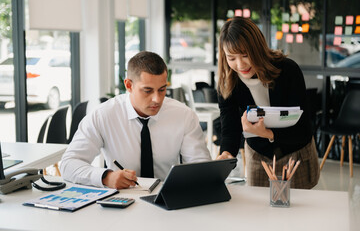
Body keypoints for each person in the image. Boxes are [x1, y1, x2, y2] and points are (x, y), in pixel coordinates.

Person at [60, 51, 211, 189]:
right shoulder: (103, 115)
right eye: (148, 90)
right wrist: (106, 177)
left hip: (167, 198)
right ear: (129, 85)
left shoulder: (183, 115)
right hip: (122, 201)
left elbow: (201, 168)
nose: (157, 99)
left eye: (162, 89)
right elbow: (68, 164)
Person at [216, 17, 319, 189]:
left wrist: (268, 133)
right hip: (259, 156)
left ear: (257, 48)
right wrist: (226, 153)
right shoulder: (227, 83)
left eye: (245, 55)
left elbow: (303, 129)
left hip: (296, 154)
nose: (240, 64)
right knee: (258, 213)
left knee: (299, 212)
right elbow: (230, 129)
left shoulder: (287, 70)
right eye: (231, 58)